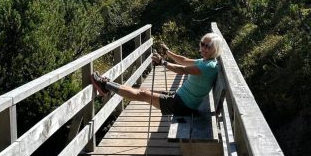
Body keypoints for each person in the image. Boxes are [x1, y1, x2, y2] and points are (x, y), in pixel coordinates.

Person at [91, 32, 222, 116]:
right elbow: (184, 61)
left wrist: (163, 62)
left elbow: (182, 69)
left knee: (143, 94)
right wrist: (168, 52)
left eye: (208, 46)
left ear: (215, 49)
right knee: (144, 91)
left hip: (183, 106)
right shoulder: (206, 61)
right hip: (182, 99)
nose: (204, 48)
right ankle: (107, 85)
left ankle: (105, 85)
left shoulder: (208, 66)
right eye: (202, 44)